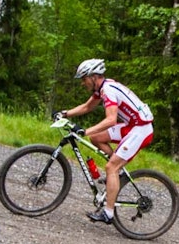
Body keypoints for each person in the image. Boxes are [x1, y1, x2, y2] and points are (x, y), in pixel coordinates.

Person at [59, 58, 154, 225]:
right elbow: (87, 107)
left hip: (141, 130)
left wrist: (85, 131)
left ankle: (108, 213)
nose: (82, 83)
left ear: (94, 77)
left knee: (111, 167)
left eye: (84, 79)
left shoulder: (108, 90)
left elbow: (111, 120)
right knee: (96, 138)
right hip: (132, 126)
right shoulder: (102, 88)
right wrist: (65, 113)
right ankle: (118, 171)